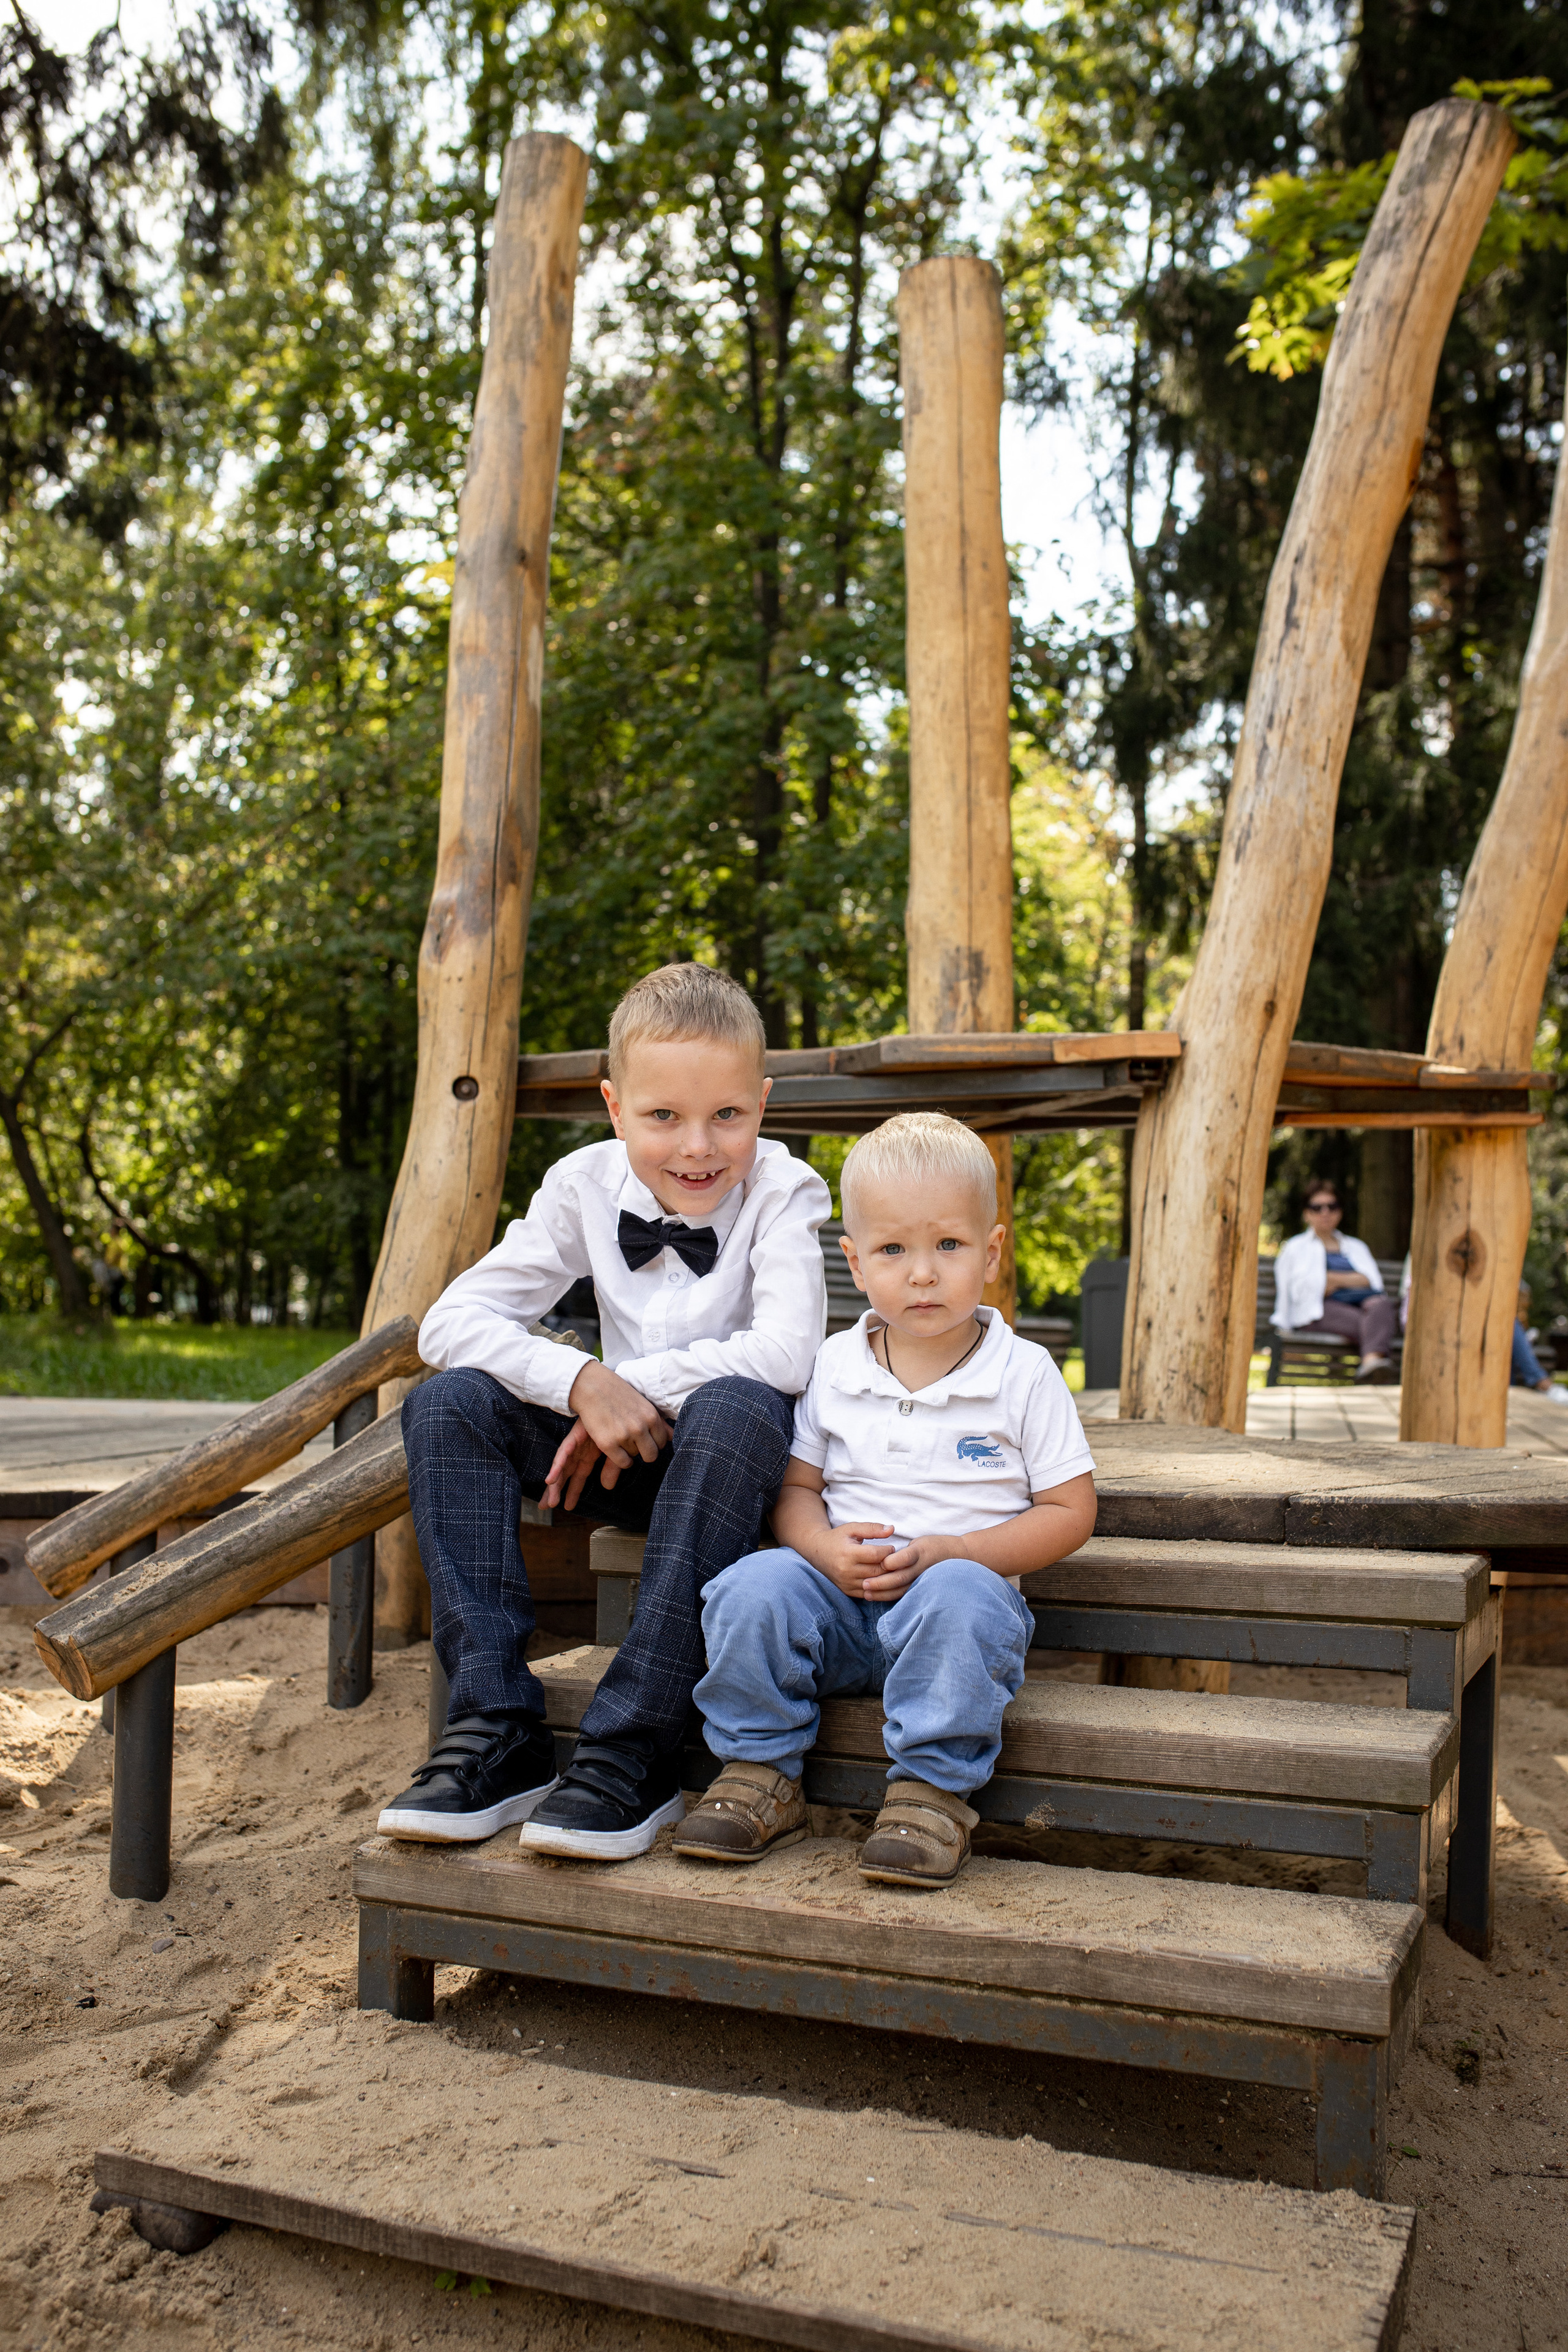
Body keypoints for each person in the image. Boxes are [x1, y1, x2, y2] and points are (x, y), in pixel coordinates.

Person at [377, 962, 831, 1858]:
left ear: (763, 1104)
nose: (698, 1147)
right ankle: (497, 1726)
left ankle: (635, 1747)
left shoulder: (785, 1190)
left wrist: (634, 1386)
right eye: (663, 1116)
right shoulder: (581, 1185)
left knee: (740, 1404)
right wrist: (582, 1382)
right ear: (615, 1107)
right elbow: (451, 1322)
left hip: (734, 1475)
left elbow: (787, 1354)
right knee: (447, 1405)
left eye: (728, 1116)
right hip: (614, 1455)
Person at [670, 1113, 1098, 1889]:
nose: (923, 1273)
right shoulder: (836, 1363)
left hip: (950, 1617)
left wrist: (959, 1551)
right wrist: (820, 1548)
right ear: (856, 1262)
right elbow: (797, 1491)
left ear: (992, 1252)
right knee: (747, 1587)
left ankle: (929, 1796)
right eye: (894, 1249)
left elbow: (1072, 1512)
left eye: (949, 1246)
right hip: (836, 1603)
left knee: (963, 1597)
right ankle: (759, 1773)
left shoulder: (1023, 1372)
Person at [1272, 1178, 1396, 1384]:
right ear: (1307, 1213)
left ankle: (1370, 1364)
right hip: (1318, 1311)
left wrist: (1332, 1280)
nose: (1325, 1213)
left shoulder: (1356, 1247)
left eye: (1332, 1206)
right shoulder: (1296, 1248)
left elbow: (1372, 1283)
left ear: (1340, 1211)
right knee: (1374, 1324)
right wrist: (1348, 1280)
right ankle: (1374, 1366)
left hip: (1363, 1306)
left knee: (1382, 1306)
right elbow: (1297, 1291)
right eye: (1317, 1207)